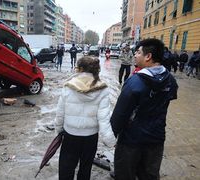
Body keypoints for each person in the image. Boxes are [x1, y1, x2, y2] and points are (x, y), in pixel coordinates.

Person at [110, 38, 178, 180]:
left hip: (131, 141)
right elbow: (166, 101)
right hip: (156, 139)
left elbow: (120, 115)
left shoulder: (134, 81)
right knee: (149, 175)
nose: (135, 55)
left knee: (125, 175)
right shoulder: (170, 80)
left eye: (138, 52)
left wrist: (113, 135)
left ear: (148, 56)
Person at [55, 56, 116, 180]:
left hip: (70, 135)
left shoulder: (68, 86)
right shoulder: (102, 88)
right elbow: (104, 118)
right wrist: (110, 140)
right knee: (85, 168)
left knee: (66, 167)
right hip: (90, 137)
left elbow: (60, 112)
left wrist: (58, 129)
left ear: (80, 69)